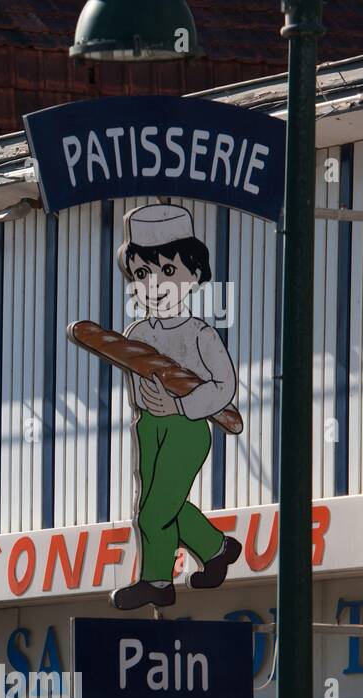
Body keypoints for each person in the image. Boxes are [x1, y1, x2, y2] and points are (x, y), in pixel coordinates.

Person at [110, 203, 242, 611]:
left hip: (187, 431)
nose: (155, 284)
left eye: (169, 272)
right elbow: (139, 386)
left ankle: (155, 580)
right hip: (149, 427)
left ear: (194, 274)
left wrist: (184, 405)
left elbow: (225, 386)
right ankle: (215, 549)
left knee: (152, 512)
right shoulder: (137, 333)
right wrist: (150, 403)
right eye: (143, 274)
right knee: (158, 504)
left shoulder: (200, 334)